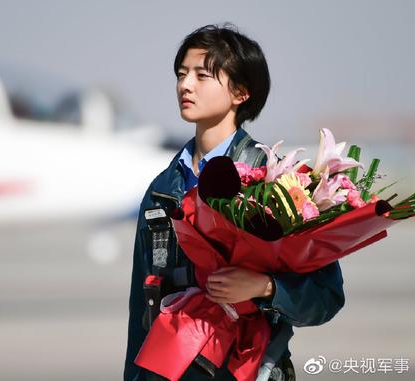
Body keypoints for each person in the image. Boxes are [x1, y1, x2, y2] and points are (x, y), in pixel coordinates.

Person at [124, 24, 345, 381]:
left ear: (241, 92)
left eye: (202, 75)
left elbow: (325, 298)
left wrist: (264, 288)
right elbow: (141, 305)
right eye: (181, 74)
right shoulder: (162, 189)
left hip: (248, 368)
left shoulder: (276, 183)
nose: (185, 85)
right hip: (166, 369)